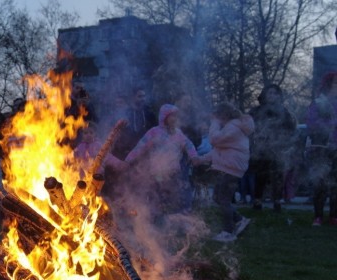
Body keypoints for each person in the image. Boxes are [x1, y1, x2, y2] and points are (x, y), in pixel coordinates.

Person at [125, 104, 201, 217]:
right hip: (157, 171)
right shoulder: (154, 132)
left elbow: (188, 144)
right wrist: (128, 160)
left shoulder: (178, 133)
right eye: (171, 116)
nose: (174, 119)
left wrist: (194, 156)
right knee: (158, 197)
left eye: (175, 116)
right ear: (164, 118)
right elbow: (140, 146)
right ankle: (157, 220)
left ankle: (179, 219)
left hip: (174, 171)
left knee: (177, 194)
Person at [201, 102, 255, 242]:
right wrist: (200, 159)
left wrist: (214, 123)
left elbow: (214, 140)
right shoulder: (234, 126)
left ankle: (228, 232)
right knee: (218, 197)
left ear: (222, 116)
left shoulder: (233, 127)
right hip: (229, 167)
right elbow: (220, 149)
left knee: (223, 199)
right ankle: (240, 220)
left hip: (230, 168)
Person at [248, 84, 297, 212]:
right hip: (261, 148)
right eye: (269, 93)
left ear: (278, 95)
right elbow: (248, 127)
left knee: (278, 176)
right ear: (264, 94)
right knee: (261, 175)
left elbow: (291, 129)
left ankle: (277, 201)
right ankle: (257, 201)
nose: (272, 95)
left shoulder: (284, 111)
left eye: (275, 93)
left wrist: (286, 142)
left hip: (278, 148)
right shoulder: (256, 111)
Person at [306, 71, 337, 226]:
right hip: (321, 148)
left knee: (335, 184)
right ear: (328, 84)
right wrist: (330, 125)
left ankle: (334, 216)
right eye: (336, 83)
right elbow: (311, 124)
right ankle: (318, 215)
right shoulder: (319, 102)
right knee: (320, 182)